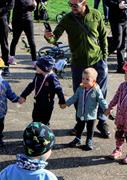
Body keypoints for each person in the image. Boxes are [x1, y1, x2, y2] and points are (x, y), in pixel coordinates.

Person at [44, 0, 110, 138]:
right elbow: (55, 37)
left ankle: (101, 121)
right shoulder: (67, 18)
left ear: (84, 2)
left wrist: (104, 56)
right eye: (70, 4)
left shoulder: (95, 15)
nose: (72, 7)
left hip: (97, 60)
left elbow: (103, 35)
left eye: (75, 4)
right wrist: (48, 37)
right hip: (78, 62)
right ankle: (80, 121)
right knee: (79, 93)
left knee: (101, 93)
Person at [63, 67, 107, 151]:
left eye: (87, 79)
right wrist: (67, 103)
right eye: (83, 78)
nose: (84, 81)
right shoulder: (80, 89)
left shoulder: (96, 90)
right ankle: (77, 139)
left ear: (94, 81)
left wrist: (106, 108)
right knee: (79, 127)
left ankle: (89, 141)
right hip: (81, 113)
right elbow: (74, 97)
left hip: (91, 114)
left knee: (90, 129)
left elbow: (101, 100)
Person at [18, 56, 65, 126]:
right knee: (35, 118)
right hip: (38, 102)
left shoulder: (52, 78)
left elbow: (58, 90)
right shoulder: (38, 75)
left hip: (47, 104)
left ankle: (44, 133)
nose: (35, 67)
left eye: (37, 66)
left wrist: (62, 101)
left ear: (44, 68)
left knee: (45, 121)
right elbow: (31, 86)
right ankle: (35, 130)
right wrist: (23, 95)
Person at [105, 0, 127, 73]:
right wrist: (118, 5)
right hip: (115, 19)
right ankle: (100, 58)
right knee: (117, 42)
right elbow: (107, 2)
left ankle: (121, 66)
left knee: (123, 43)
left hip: (125, 19)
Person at [9, 0, 37, 65]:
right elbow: (10, 7)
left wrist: (34, 5)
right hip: (17, 20)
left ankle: (35, 61)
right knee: (15, 39)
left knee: (31, 41)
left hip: (27, 20)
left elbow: (31, 9)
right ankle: (11, 58)